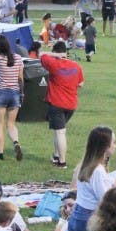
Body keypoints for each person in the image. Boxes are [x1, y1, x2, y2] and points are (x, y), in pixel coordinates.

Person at [40, 40, 84, 168]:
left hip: (57, 103)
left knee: (60, 132)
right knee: (57, 131)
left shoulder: (53, 63)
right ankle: (56, 155)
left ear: (55, 53)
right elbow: (81, 84)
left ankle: (62, 162)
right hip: (71, 105)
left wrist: (54, 55)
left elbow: (41, 55)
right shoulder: (76, 66)